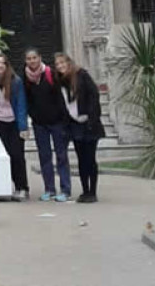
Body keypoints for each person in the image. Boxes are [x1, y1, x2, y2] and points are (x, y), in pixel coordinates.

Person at [22, 48, 72, 202]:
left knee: (61, 156)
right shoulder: (25, 77)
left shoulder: (51, 74)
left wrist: (64, 120)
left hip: (57, 122)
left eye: (34, 58)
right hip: (39, 124)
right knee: (44, 157)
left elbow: (61, 97)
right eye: (29, 58)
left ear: (40, 58)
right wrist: (32, 115)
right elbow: (26, 99)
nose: (32, 61)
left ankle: (65, 189)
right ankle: (49, 189)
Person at [55, 52, 105, 203]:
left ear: (68, 62)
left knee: (90, 159)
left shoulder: (81, 75)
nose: (60, 66)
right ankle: (84, 191)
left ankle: (93, 192)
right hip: (74, 124)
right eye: (57, 64)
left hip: (89, 123)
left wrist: (92, 118)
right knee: (81, 159)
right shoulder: (61, 82)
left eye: (62, 63)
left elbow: (94, 95)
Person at [0, 53, 30, 200]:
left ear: (7, 66)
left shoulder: (16, 81)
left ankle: (22, 187)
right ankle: (4, 188)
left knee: (17, 155)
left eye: (3, 63)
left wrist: (23, 127)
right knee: (1, 155)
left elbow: (21, 104)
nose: (0, 65)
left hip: (14, 122)